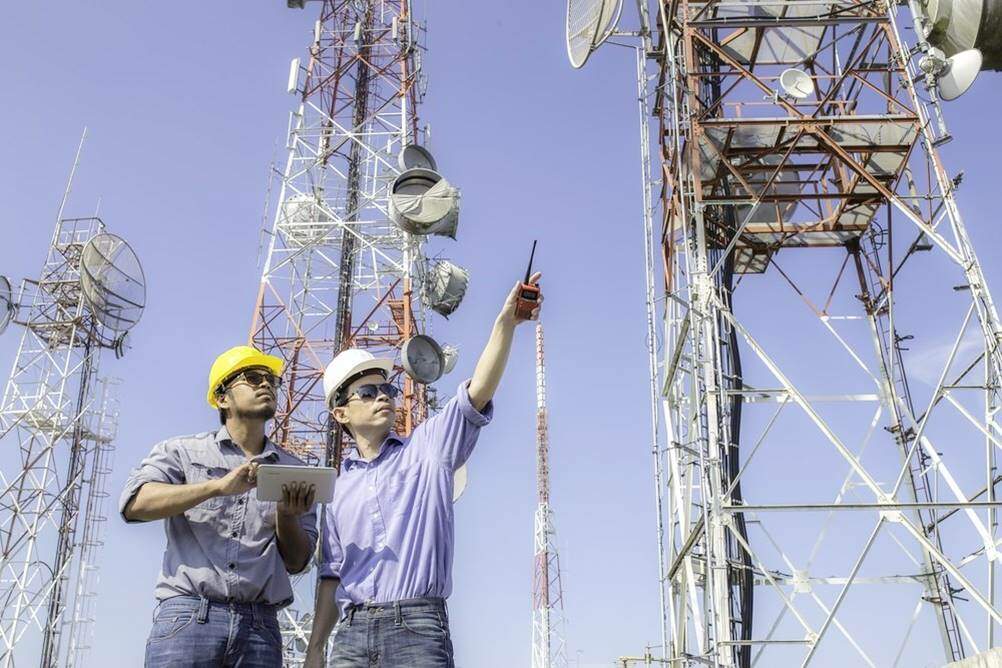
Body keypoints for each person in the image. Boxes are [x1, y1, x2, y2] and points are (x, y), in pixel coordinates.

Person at [305, 273, 543, 667]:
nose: (382, 396)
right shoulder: (337, 489)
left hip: (416, 626)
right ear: (340, 412)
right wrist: (316, 649)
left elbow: (477, 392)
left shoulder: (428, 449)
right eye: (367, 392)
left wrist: (504, 325)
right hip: (351, 633)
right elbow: (331, 576)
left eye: (388, 390)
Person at [120, 345, 319, 667]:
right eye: (252, 378)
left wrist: (287, 516)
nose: (266, 385)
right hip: (187, 617)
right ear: (222, 398)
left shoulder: (295, 472)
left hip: (260, 626)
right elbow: (136, 503)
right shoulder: (181, 451)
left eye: (272, 380)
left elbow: (298, 561)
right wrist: (216, 487)